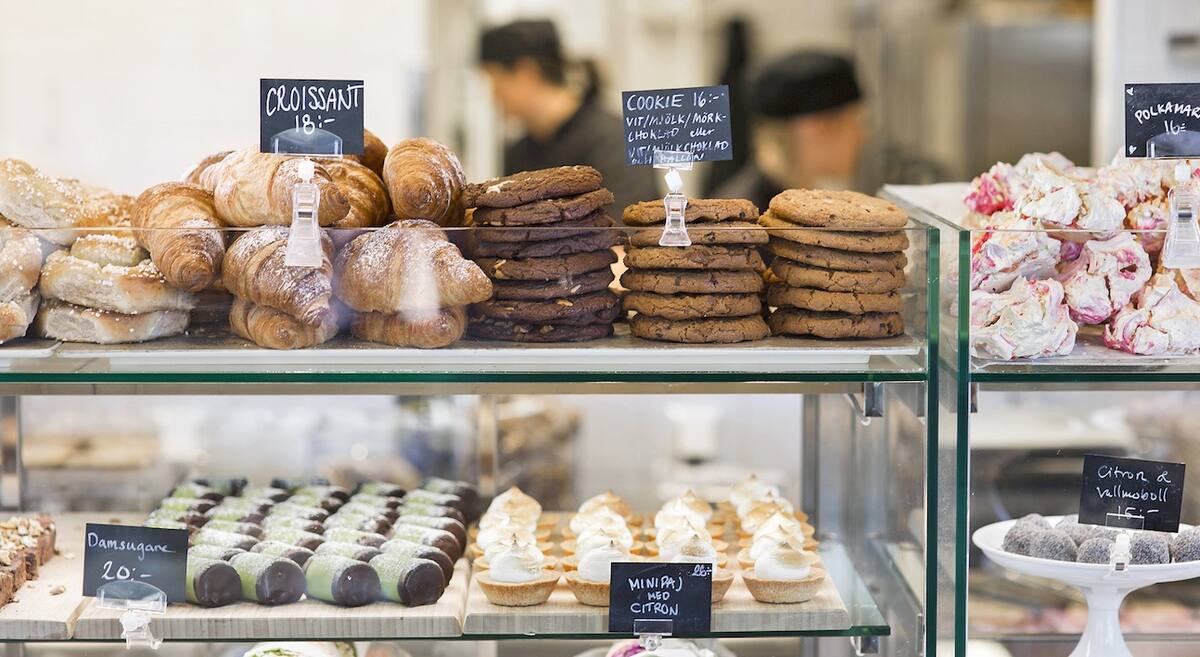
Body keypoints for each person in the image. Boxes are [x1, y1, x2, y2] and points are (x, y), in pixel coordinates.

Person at [479, 20, 659, 213]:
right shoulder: (518, 153)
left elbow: (626, 228)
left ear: (526, 73)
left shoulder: (616, 142)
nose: (493, 96)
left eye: (494, 80)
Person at [716, 51, 866, 211]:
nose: (862, 136)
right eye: (855, 123)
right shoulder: (752, 220)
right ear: (816, 128)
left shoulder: (783, 200)